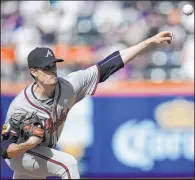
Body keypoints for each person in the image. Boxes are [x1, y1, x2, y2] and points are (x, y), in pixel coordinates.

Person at [1, 31, 174, 179]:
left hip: (41, 151)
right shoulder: (21, 106)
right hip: (21, 154)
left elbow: (109, 65)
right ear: (34, 72)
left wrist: (149, 42)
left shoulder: (69, 85)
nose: (52, 70)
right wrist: (27, 145)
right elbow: (4, 148)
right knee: (68, 165)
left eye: (54, 65)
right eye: (47, 67)